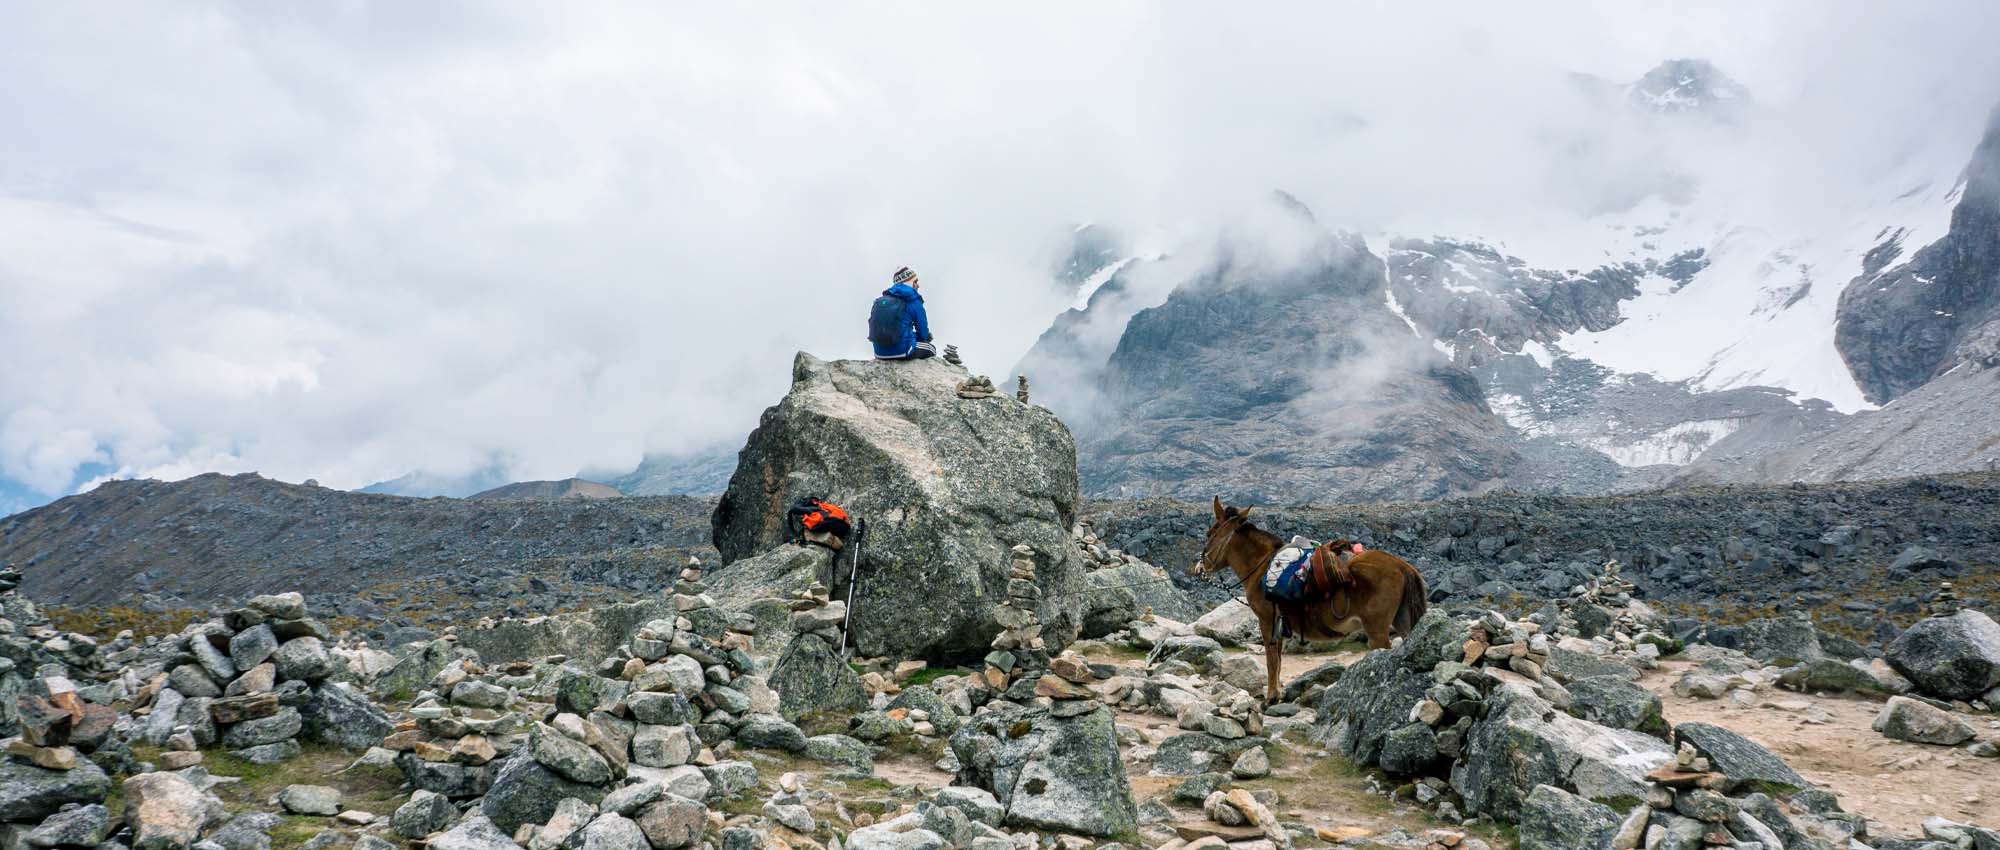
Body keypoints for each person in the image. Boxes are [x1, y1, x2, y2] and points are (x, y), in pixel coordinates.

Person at [868, 266, 936, 360]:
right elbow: (922, 331)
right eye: (915, 281)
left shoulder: (881, 300)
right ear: (909, 282)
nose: (918, 285)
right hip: (902, 352)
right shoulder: (913, 299)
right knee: (931, 348)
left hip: (879, 353)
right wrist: (924, 338)